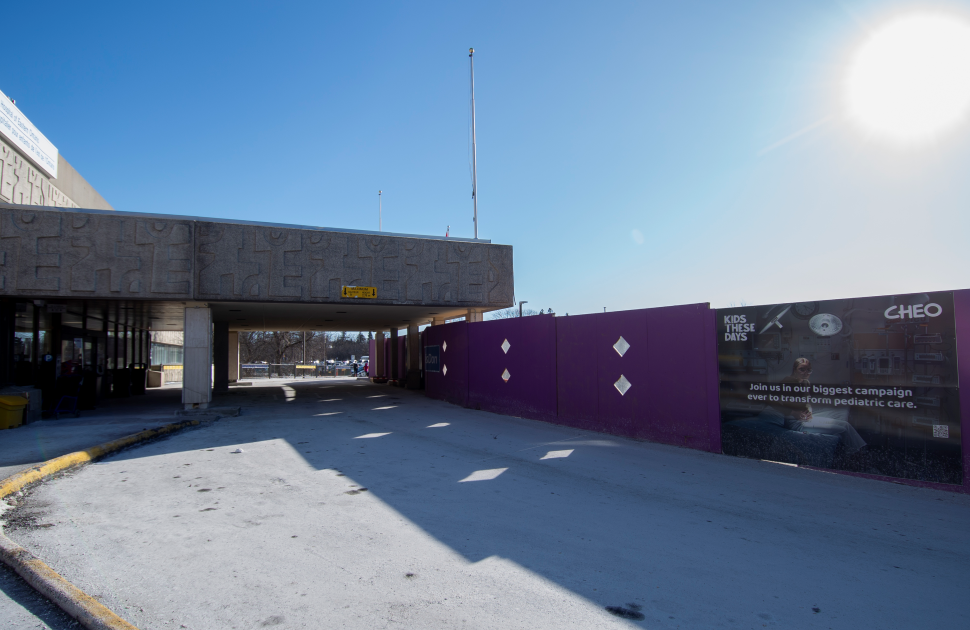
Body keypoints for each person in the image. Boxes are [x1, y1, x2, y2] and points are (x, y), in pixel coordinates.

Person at [779, 358, 866, 453]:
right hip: (796, 423)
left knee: (846, 425)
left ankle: (862, 452)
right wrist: (793, 413)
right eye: (802, 369)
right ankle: (857, 457)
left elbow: (805, 402)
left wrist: (808, 412)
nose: (806, 373)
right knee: (842, 430)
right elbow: (775, 403)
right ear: (794, 369)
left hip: (807, 419)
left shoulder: (805, 383)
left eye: (809, 370)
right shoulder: (787, 382)